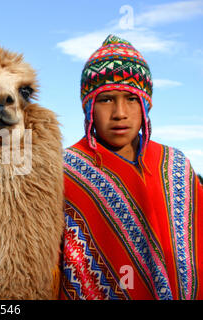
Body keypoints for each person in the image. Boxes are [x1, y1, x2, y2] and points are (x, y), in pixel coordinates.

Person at [60, 34, 203, 300]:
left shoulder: (176, 165)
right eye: (106, 99)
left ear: (145, 103)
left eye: (131, 98)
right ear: (89, 106)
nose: (120, 113)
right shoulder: (65, 171)